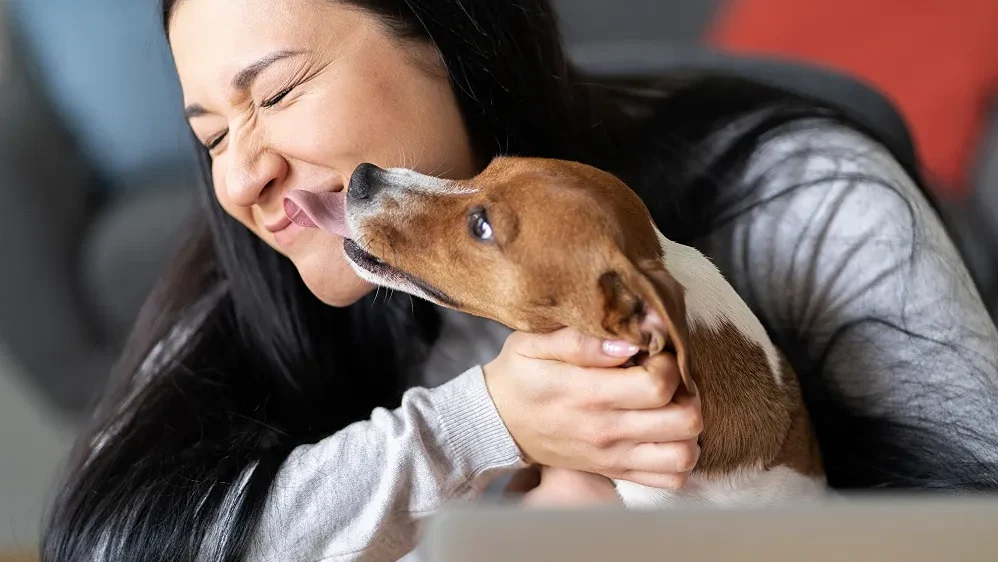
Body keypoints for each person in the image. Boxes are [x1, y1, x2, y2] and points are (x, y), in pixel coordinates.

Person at [42, 1, 998, 561]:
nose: (239, 177)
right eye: (208, 133)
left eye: (280, 92)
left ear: (455, 38)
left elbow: (967, 526)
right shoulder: (247, 270)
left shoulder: (809, 199)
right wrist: (481, 427)